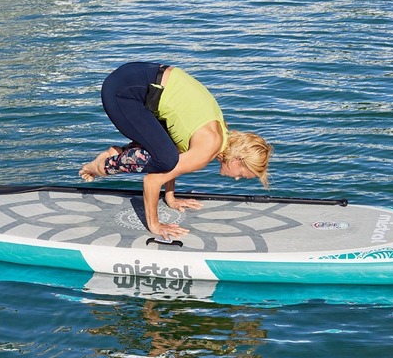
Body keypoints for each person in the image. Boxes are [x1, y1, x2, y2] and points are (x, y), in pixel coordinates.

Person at [80, 62, 272, 240]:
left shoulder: (220, 132)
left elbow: (175, 156)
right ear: (238, 159)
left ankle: (119, 152)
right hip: (123, 92)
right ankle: (103, 165)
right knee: (164, 159)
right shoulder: (206, 151)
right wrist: (155, 226)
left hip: (136, 79)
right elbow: (153, 179)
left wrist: (170, 198)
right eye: (242, 174)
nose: (237, 178)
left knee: (166, 156)